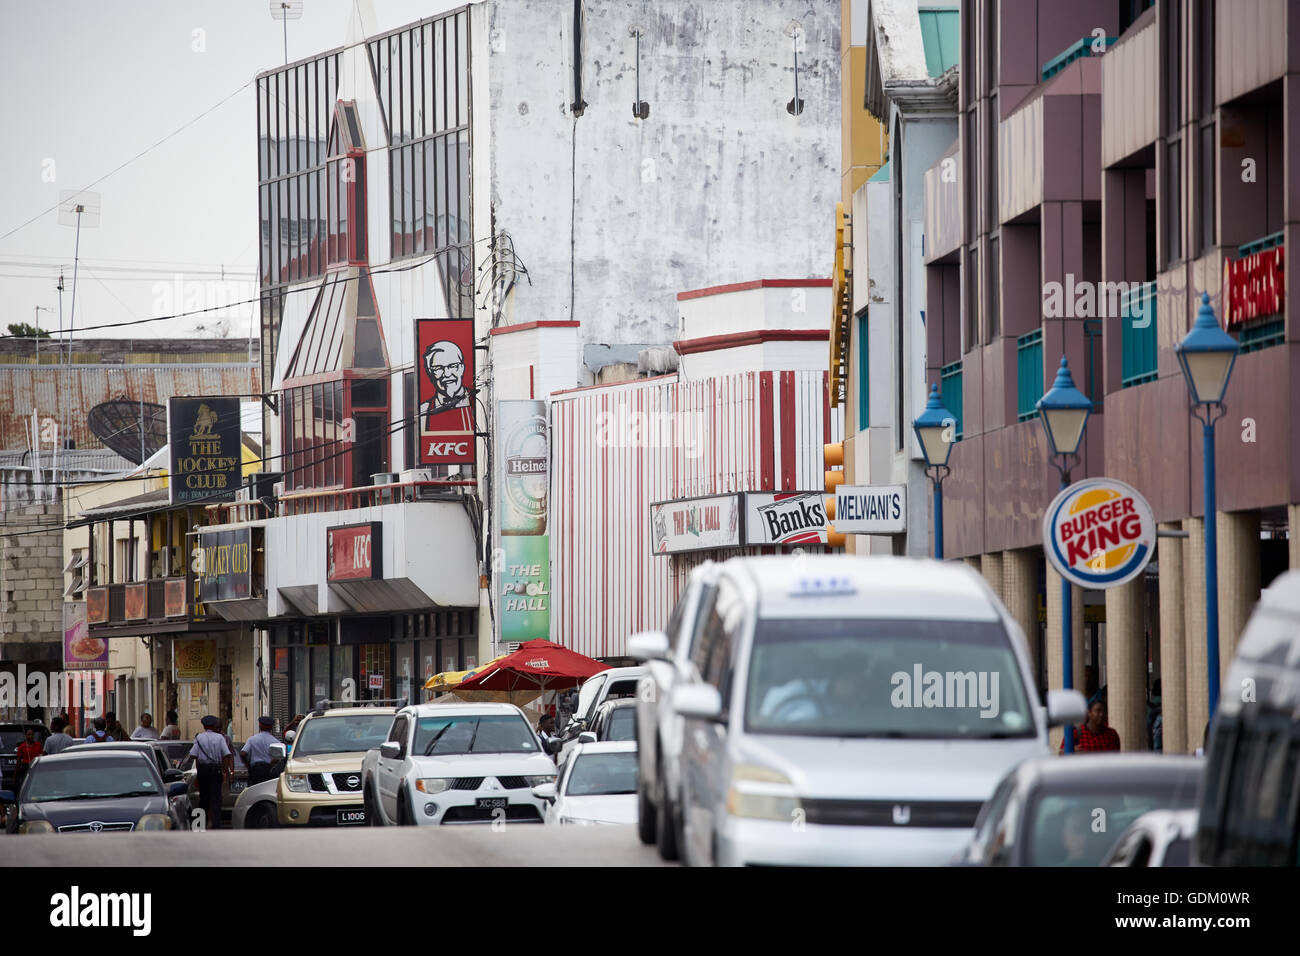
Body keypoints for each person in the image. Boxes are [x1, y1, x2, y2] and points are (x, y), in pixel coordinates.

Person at [190, 715, 233, 829]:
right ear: (214, 725)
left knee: (203, 798)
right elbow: (227, 754)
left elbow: (193, 755)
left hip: (203, 770)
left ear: (203, 726)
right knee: (216, 798)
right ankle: (216, 825)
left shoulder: (199, 738)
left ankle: (199, 825)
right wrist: (224, 770)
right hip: (216, 770)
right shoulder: (220, 738)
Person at [241, 716, 280, 787]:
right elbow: (277, 758)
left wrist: (247, 764)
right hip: (268, 770)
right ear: (271, 727)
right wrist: (270, 765)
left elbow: (243, 753)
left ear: (260, 725)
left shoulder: (252, 739)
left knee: (253, 790)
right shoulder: (276, 742)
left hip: (255, 770)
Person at [14, 727, 43, 792]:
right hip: (25, 767)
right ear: (26, 735)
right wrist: (15, 775)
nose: (31, 736)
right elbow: (18, 762)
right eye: (29, 734)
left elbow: (41, 756)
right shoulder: (21, 747)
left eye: (32, 734)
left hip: (36, 766)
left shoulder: (38, 745)